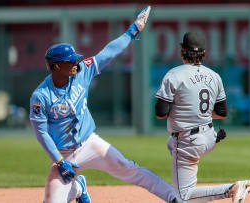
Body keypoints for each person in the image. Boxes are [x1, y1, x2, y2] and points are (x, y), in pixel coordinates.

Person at [30, 6, 176, 203]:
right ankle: (78, 187)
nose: (76, 62)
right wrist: (59, 161)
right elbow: (41, 133)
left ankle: (173, 198)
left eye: (75, 59)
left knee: (128, 167)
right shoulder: (41, 95)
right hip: (63, 154)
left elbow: (108, 53)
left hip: (89, 143)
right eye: (70, 60)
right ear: (57, 66)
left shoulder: (82, 72)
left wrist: (133, 30)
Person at [155, 32, 250, 203]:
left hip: (187, 142)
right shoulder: (214, 76)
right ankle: (185, 176)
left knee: (183, 198)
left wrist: (184, 110)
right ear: (204, 54)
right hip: (210, 137)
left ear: (182, 51)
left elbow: (160, 113)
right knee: (171, 144)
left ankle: (231, 189)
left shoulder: (174, 74)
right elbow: (222, 113)